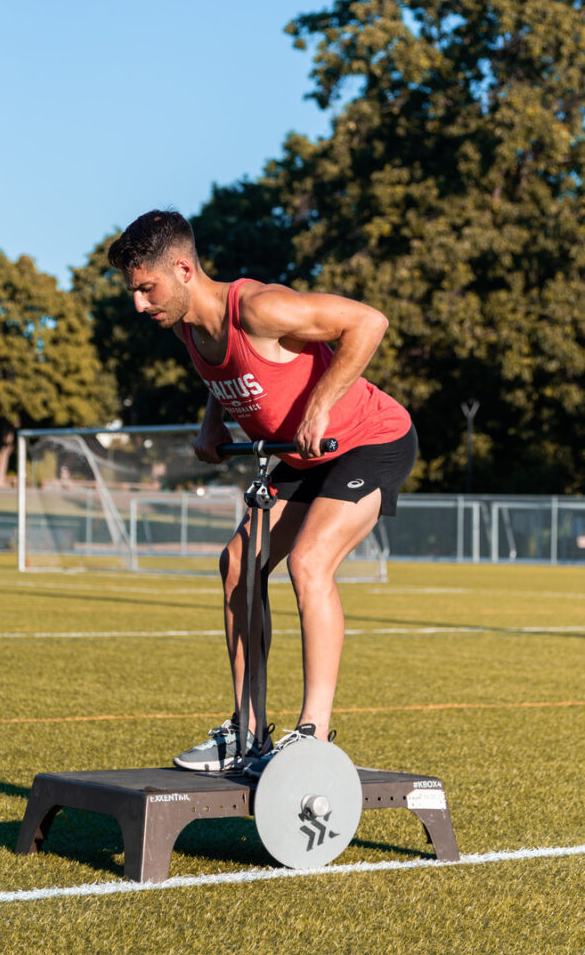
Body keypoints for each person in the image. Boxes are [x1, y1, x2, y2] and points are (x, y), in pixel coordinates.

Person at [108, 209, 417, 774]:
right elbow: (224, 374)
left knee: (309, 561)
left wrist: (320, 403)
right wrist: (213, 421)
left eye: (146, 289)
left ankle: (313, 734)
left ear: (182, 269)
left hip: (371, 441)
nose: (139, 304)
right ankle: (247, 732)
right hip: (304, 455)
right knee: (236, 563)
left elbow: (369, 322)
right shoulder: (187, 328)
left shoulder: (259, 308)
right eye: (133, 291)